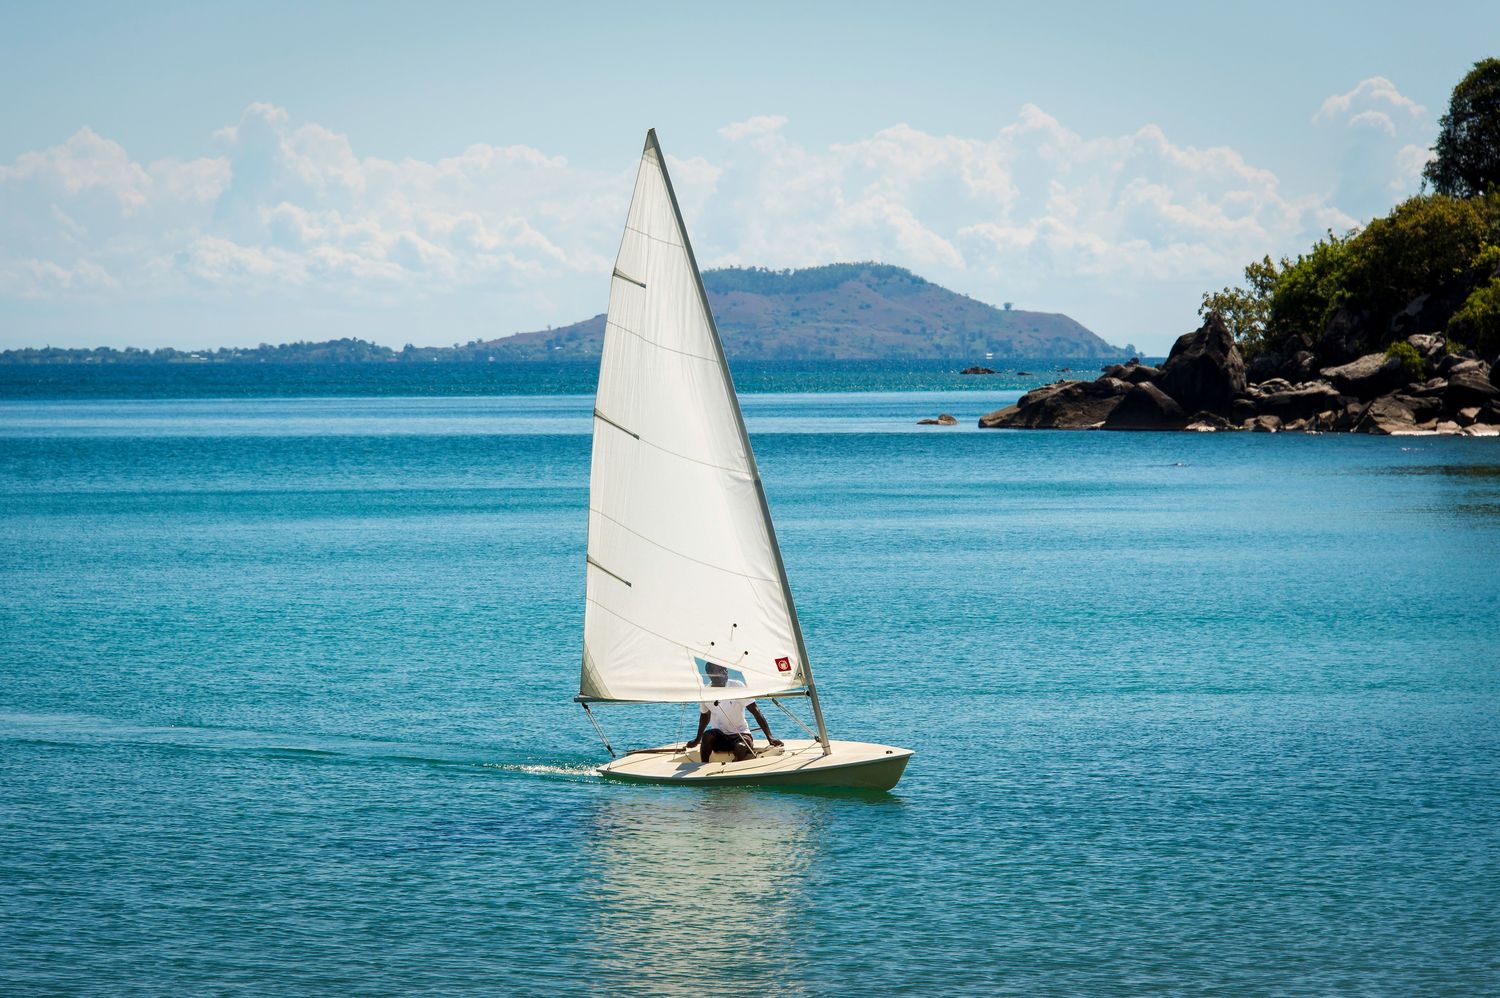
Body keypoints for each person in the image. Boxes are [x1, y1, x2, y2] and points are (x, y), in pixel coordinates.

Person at [686, 662, 783, 762]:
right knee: (707, 736)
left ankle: (733, 767)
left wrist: (770, 737)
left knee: (740, 747)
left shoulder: (737, 686)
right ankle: (703, 766)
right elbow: (704, 717)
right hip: (720, 738)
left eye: (725, 670)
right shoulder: (705, 692)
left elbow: (756, 711)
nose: (724, 673)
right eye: (719, 671)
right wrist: (697, 739)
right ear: (710, 674)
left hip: (741, 735)